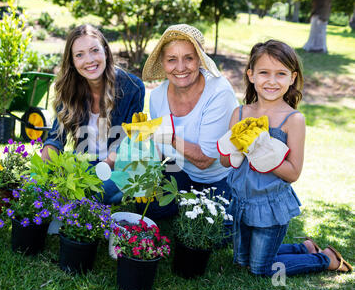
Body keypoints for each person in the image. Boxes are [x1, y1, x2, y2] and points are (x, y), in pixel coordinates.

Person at [218, 39, 352, 276]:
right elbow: (226, 162)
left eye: (280, 73)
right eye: (264, 72)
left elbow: (293, 173)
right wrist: (234, 148)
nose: (271, 80)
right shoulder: (240, 113)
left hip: (270, 204)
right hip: (241, 201)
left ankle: (324, 258)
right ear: (251, 75)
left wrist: (263, 152)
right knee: (240, 262)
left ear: (292, 78)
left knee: (260, 268)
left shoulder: (293, 120)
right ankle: (304, 248)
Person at [126, 24, 238, 220]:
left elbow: (205, 160)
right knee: (149, 206)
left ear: (200, 60)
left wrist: (169, 138)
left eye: (189, 58)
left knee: (213, 231)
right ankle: (184, 204)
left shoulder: (219, 93)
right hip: (181, 170)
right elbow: (159, 147)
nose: (180, 68)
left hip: (218, 177)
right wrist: (146, 172)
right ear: (163, 62)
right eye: (172, 60)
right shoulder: (158, 96)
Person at [41, 24, 145, 205]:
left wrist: (98, 173)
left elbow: (127, 143)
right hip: (84, 164)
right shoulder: (67, 89)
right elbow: (55, 140)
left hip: (117, 167)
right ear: (72, 61)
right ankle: (76, 198)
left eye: (94, 50)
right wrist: (40, 173)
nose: (89, 60)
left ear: (105, 51)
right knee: (49, 185)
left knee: (102, 189)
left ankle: (79, 200)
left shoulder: (132, 87)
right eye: (79, 55)